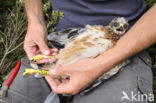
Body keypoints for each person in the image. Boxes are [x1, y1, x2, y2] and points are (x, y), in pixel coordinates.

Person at [0, 0, 156, 103]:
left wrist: (100, 64)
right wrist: (35, 21)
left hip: (125, 45)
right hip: (59, 43)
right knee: (12, 97)